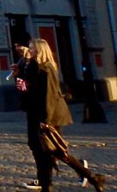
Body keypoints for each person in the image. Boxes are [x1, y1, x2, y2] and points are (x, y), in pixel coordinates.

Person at [16, 39, 104, 191]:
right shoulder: (33, 66)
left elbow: (49, 96)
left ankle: (90, 176)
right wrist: (19, 73)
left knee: (56, 150)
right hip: (34, 113)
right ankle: (47, 184)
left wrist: (46, 120)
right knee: (39, 151)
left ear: (40, 50)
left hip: (47, 115)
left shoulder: (47, 69)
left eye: (32, 48)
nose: (29, 51)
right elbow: (25, 89)